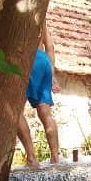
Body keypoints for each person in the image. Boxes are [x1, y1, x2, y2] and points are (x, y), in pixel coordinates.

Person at [17, 26, 61, 167]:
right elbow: (50, 46)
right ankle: (55, 158)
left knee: (15, 110)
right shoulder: (42, 16)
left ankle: (31, 158)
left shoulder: (17, 9)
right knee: (46, 113)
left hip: (25, 58)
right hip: (43, 60)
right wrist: (52, 74)